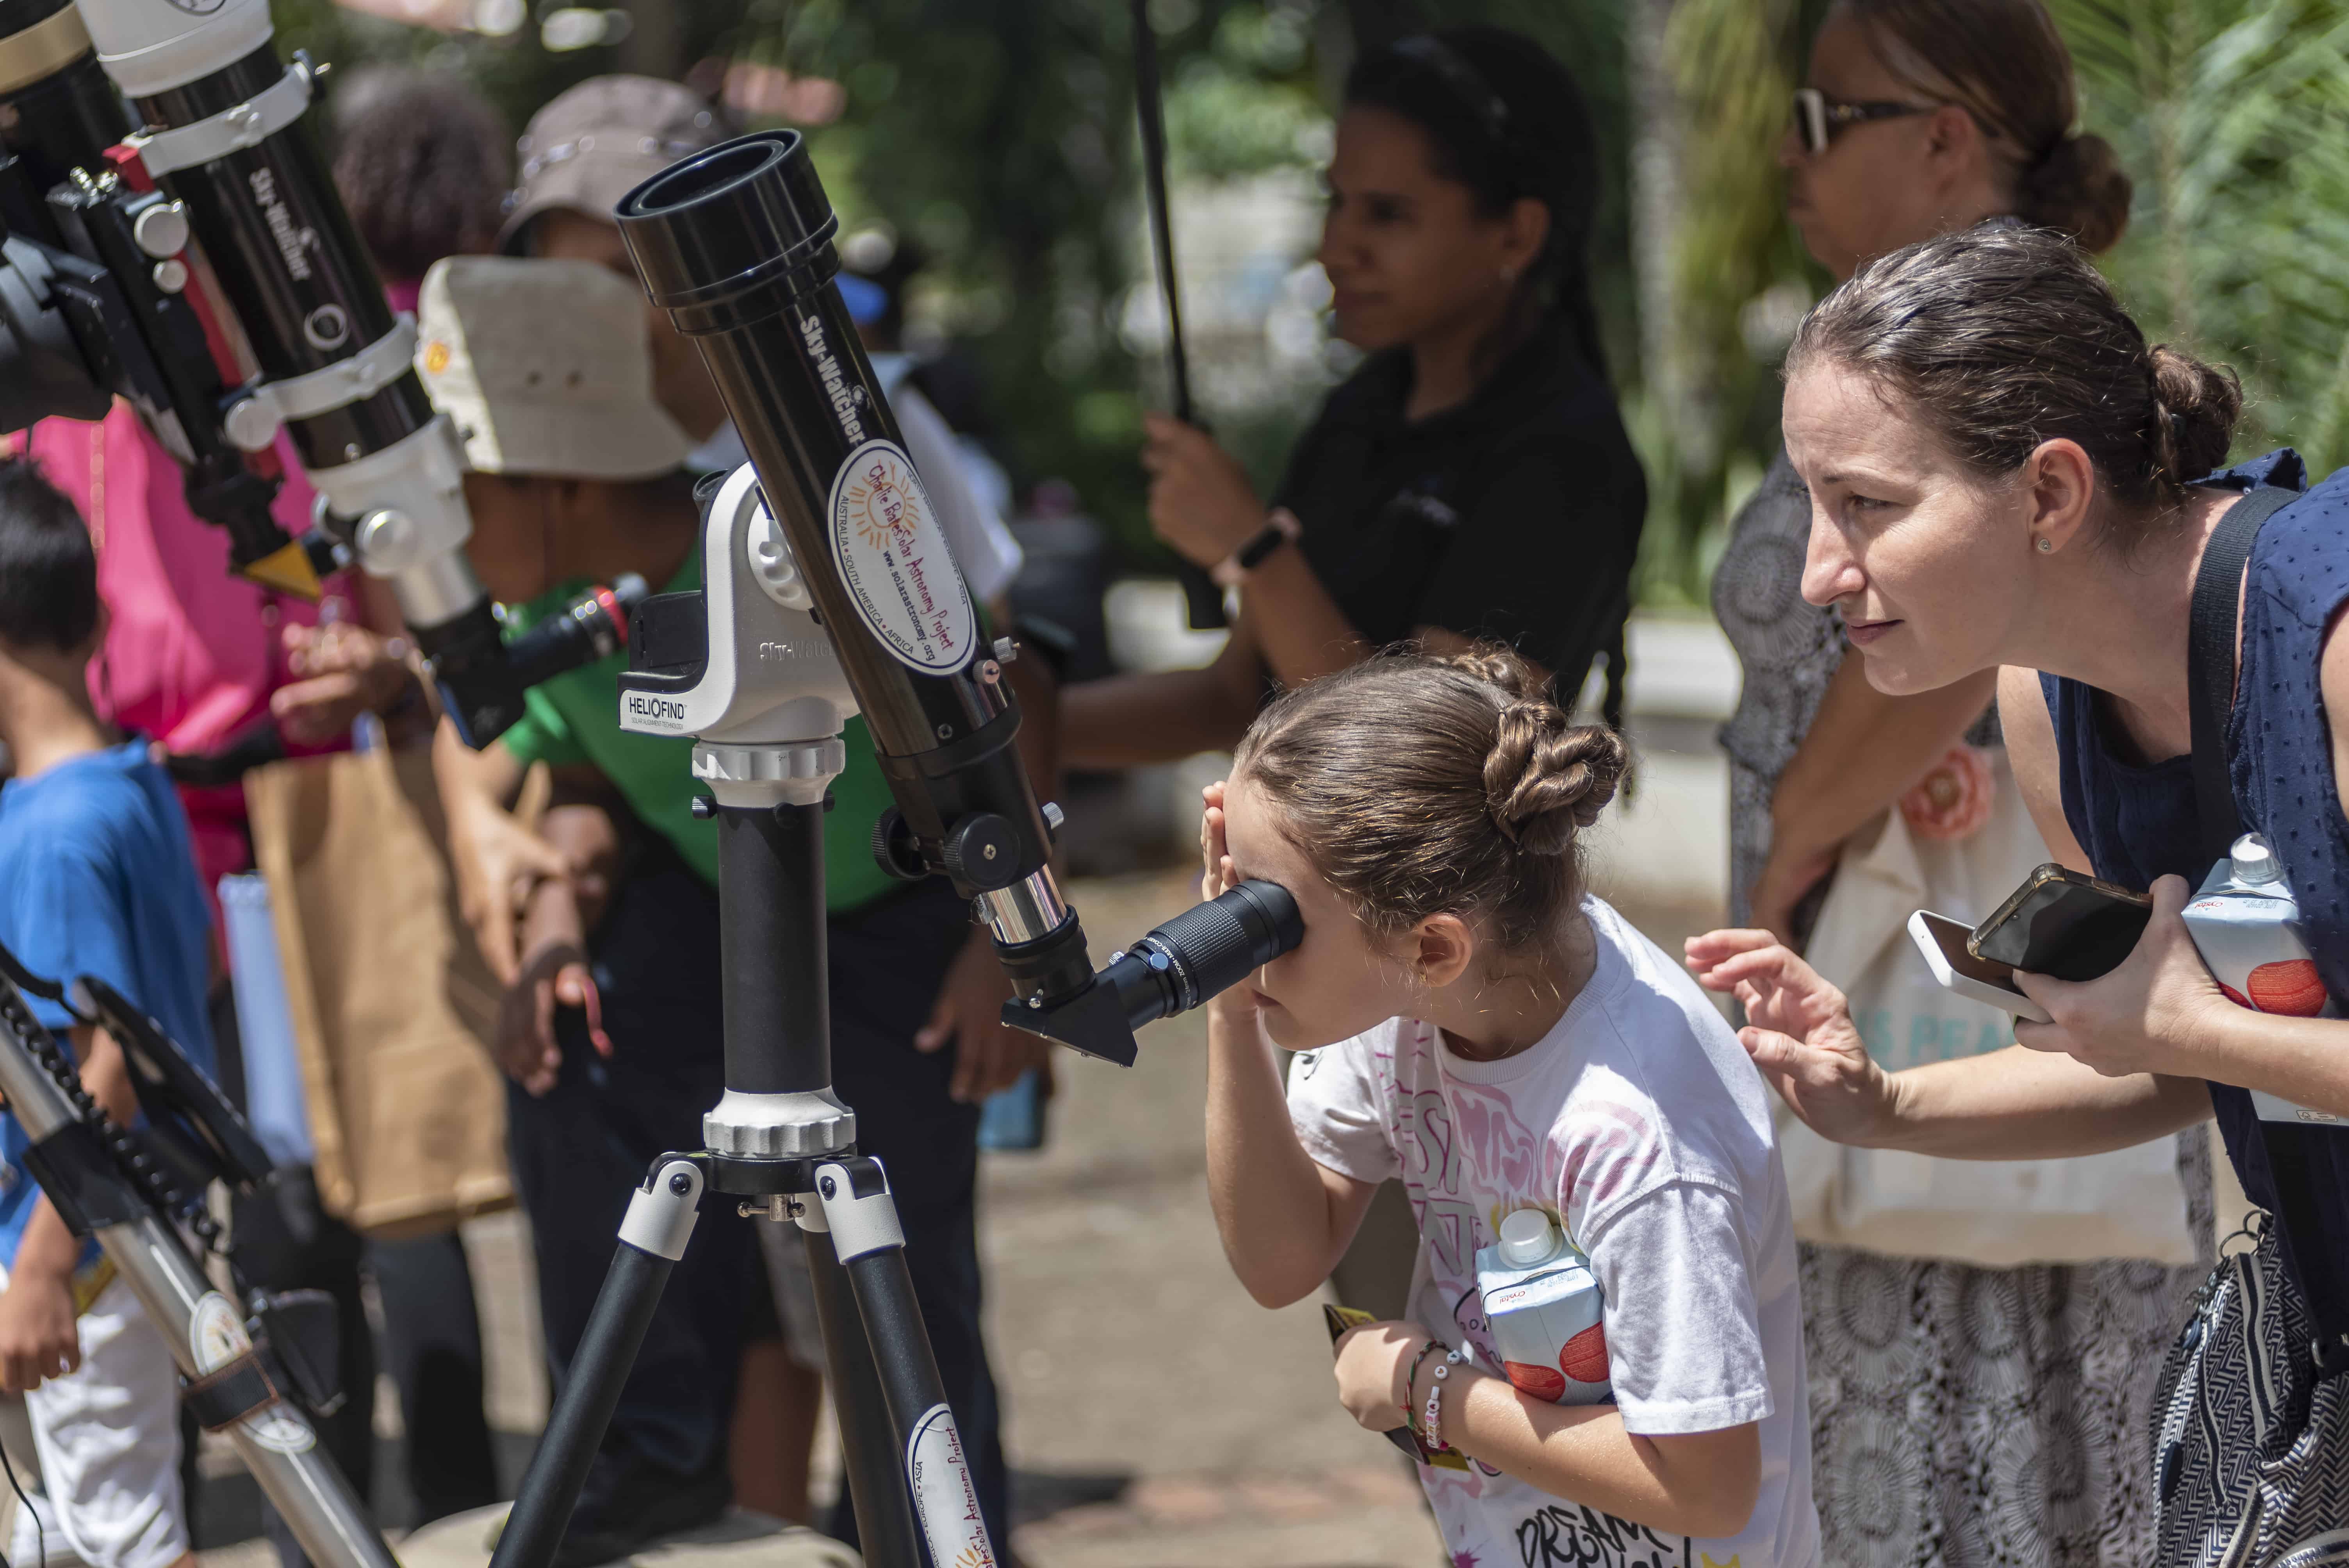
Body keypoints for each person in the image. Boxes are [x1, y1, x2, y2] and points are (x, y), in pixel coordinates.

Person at [1686, 222, 2349, 1564]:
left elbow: (2191, 1032)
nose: (1820, 571)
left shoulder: (2331, 646)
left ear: (2047, 494)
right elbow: (2171, 1053)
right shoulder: (2039, 704)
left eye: (1864, 504)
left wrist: (2190, 1027)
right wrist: (1886, 1101)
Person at [418, 248, 1035, 1555]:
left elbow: (998, 704)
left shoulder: (783, 552)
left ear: (561, 480)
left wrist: (1009, 947)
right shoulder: (544, 601)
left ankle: (941, 1523)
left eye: (460, 490)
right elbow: (567, 756)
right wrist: (546, 903)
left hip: (901, 918)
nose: (442, 529)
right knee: (573, 1071)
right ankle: (653, 1452)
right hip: (718, 903)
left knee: (904, 1263)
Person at [1703, 6, 2170, 1562]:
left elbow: (2005, 633)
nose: (1788, 149)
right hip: (1911, 1003)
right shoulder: (1869, 359)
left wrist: (1794, 835)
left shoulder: (2018, 406)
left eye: (1824, 116)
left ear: (1945, 135)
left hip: (1954, 961)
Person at [1203, 646, 1819, 1568]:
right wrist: (1228, 1005)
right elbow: (1280, 1259)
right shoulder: (1410, 994)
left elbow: (1708, 1484)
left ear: (1433, 947)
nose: (1237, 928)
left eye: (1269, 914)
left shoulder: (1640, 1139)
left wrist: (1426, 1390)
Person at [1062, 27, 1645, 766]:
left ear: (1516, 235)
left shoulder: (1565, 453)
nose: (1337, 247)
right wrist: (1022, 728)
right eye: (1335, 201)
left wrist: (1257, 552)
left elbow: (1429, 765)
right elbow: (1234, 699)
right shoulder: (1365, 410)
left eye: (1388, 214)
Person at [0, 458, 216, 1568]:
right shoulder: (131, 779)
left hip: (86, 1241)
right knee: (77, 1520)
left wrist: (40, 1264)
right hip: (124, 1222)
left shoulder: (55, 829)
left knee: (123, 1530)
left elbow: (109, 1066)